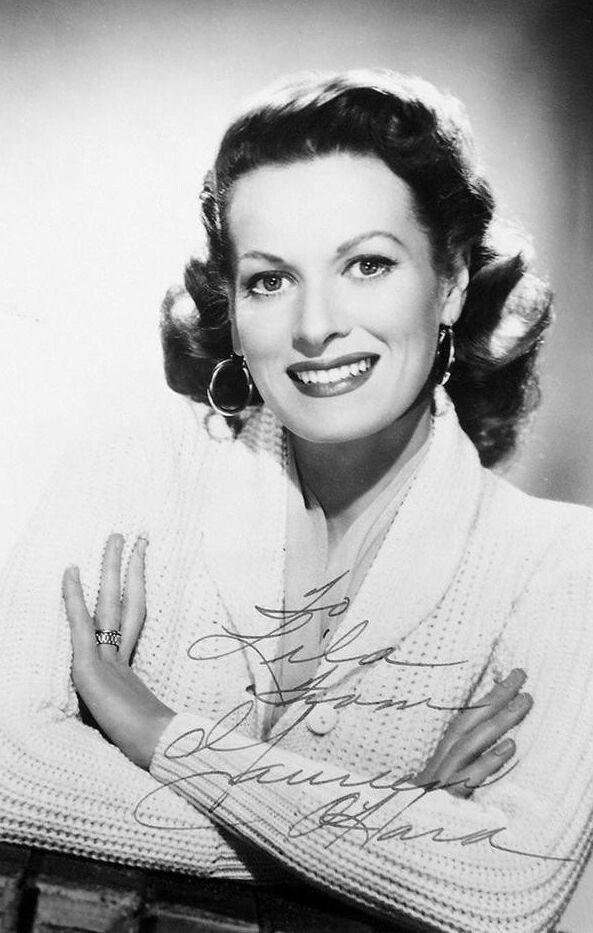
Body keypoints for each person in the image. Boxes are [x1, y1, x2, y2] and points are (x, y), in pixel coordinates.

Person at [1, 69, 592, 933]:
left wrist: (156, 732)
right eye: (270, 280)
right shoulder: (131, 469)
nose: (314, 326)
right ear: (233, 303)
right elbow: (7, 771)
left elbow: (506, 890)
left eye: (367, 264)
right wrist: (390, 821)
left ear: (452, 280)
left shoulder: (560, 565)